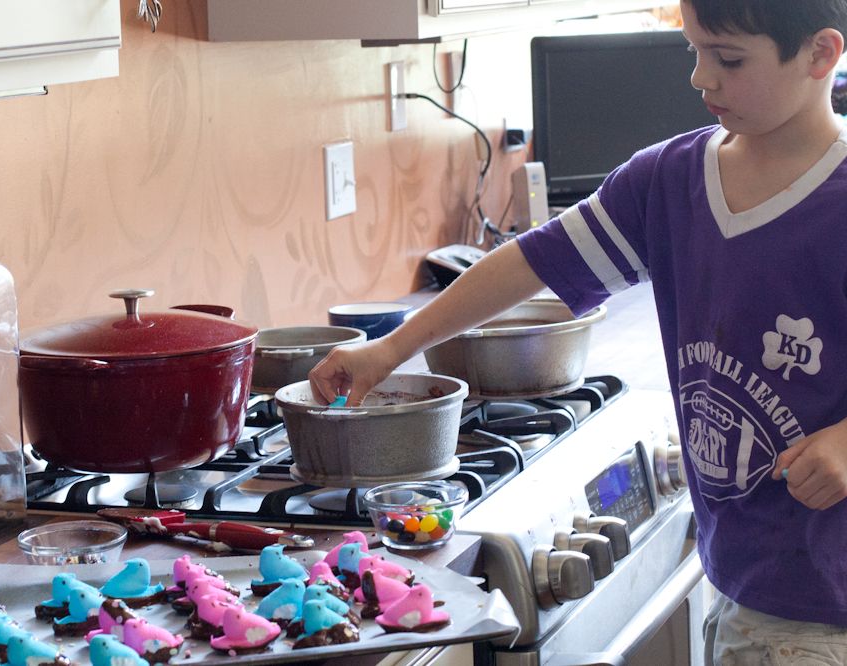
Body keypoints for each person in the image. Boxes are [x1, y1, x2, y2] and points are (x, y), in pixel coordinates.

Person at [309, 0, 847, 662]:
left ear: (822, 54)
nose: (701, 78)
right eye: (695, 51)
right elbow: (534, 259)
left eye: (729, 59)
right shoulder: (670, 180)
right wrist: (393, 348)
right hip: (741, 576)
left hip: (826, 606)